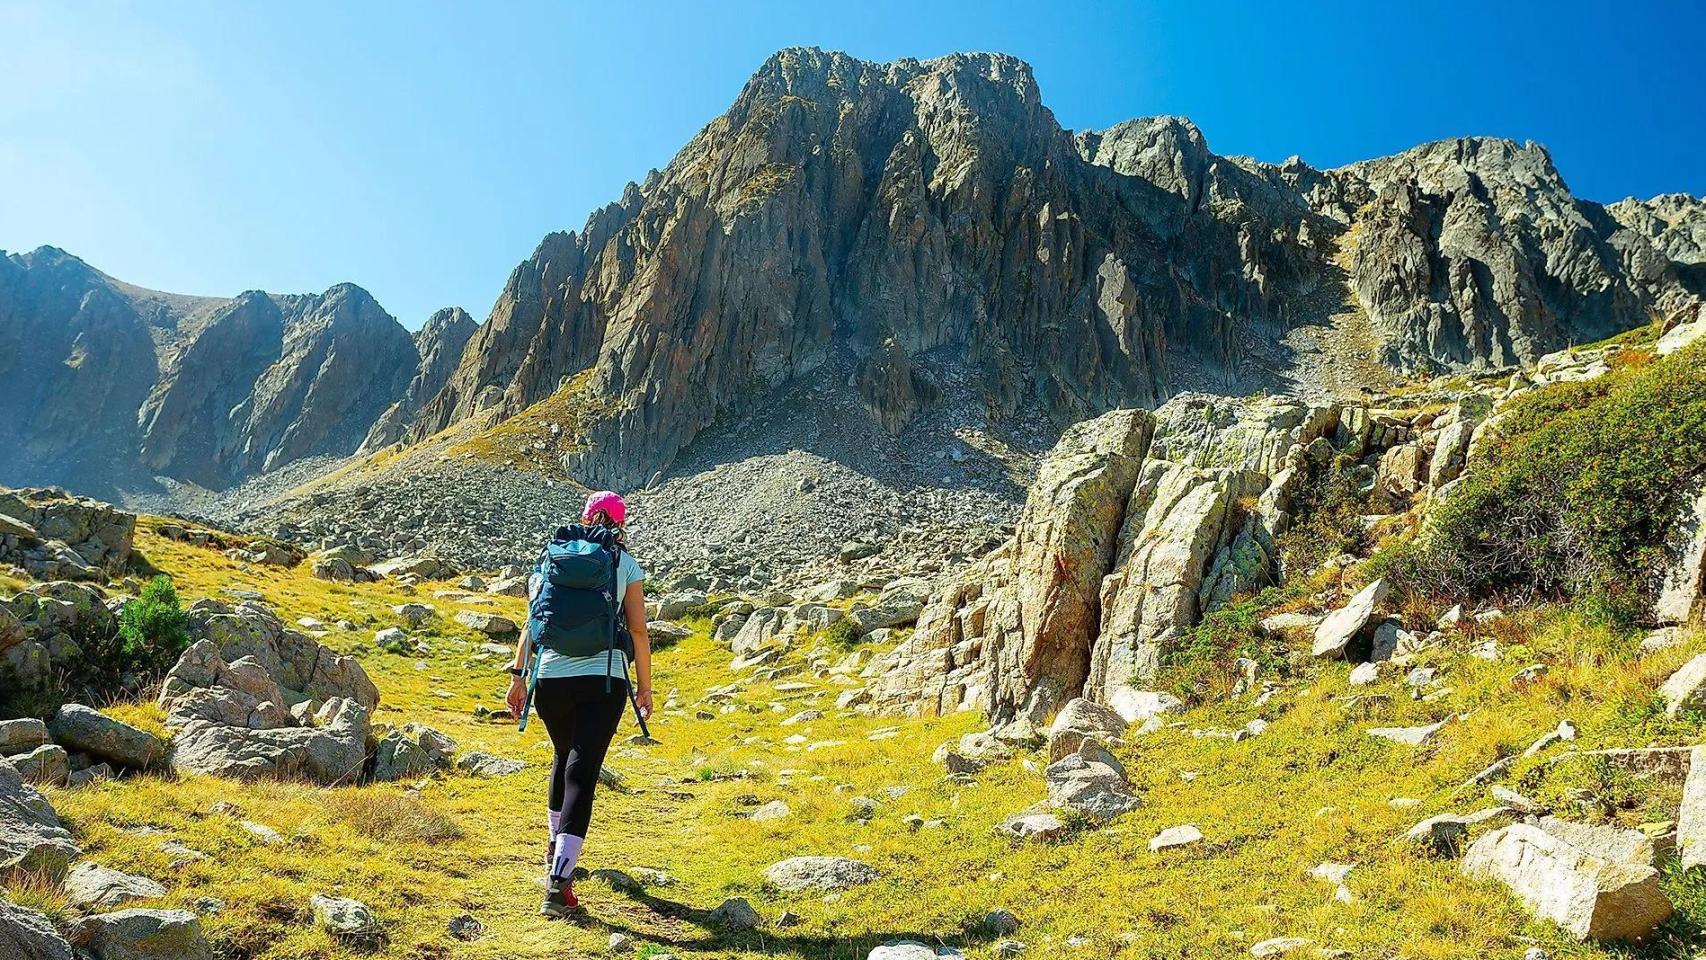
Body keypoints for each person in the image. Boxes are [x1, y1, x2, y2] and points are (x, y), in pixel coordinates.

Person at [506, 490, 653, 918]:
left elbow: (533, 621)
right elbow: (640, 633)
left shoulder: (551, 560)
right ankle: (558, 885)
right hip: (602, 681)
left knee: (562, 757)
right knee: (582, 771)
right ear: (620, 525)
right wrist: (645, 687)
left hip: (550, 680)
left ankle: (555, 851)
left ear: (584, 518)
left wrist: (519, 677)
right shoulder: (622, 563)